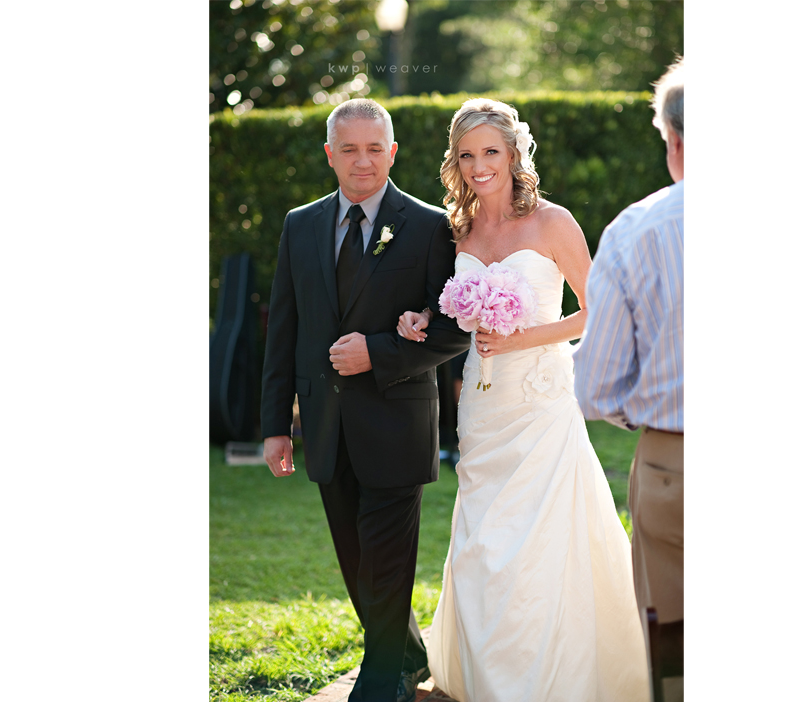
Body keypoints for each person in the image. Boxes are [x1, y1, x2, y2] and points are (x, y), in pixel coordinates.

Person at [396, 98, 649, 702]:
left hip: (540, 401)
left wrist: (525, 338)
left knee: (543, 536)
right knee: (484, 535)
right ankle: (489, 672)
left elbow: (600, 310)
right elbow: (447, 307)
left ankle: (554, 674)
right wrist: (422, 318)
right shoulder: (457, 228)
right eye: (466, 155)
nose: (479, 165)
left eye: (490, 151)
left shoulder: (553, 223)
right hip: (481, 405)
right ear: (455, 163)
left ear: (513, 154)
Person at [260, 98, 471, 702]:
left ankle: (381, 681)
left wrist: (377, 352)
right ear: (330, 154)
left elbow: (452, 330)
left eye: (374, 148)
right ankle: (405, 653)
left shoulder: (429, 226)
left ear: (393, 152)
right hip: (325, 423)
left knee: (385, 555)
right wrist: (275, 425)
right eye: (349, 149)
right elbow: (285, 331)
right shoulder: (300, 225)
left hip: (396, 421)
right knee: (355, 560)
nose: (363, 161)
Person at [573, 57, 684, 701]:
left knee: (677, 649)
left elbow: (597, 386)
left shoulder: (636, 230)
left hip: (676, 462)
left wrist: (646, 411)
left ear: (673, 140)